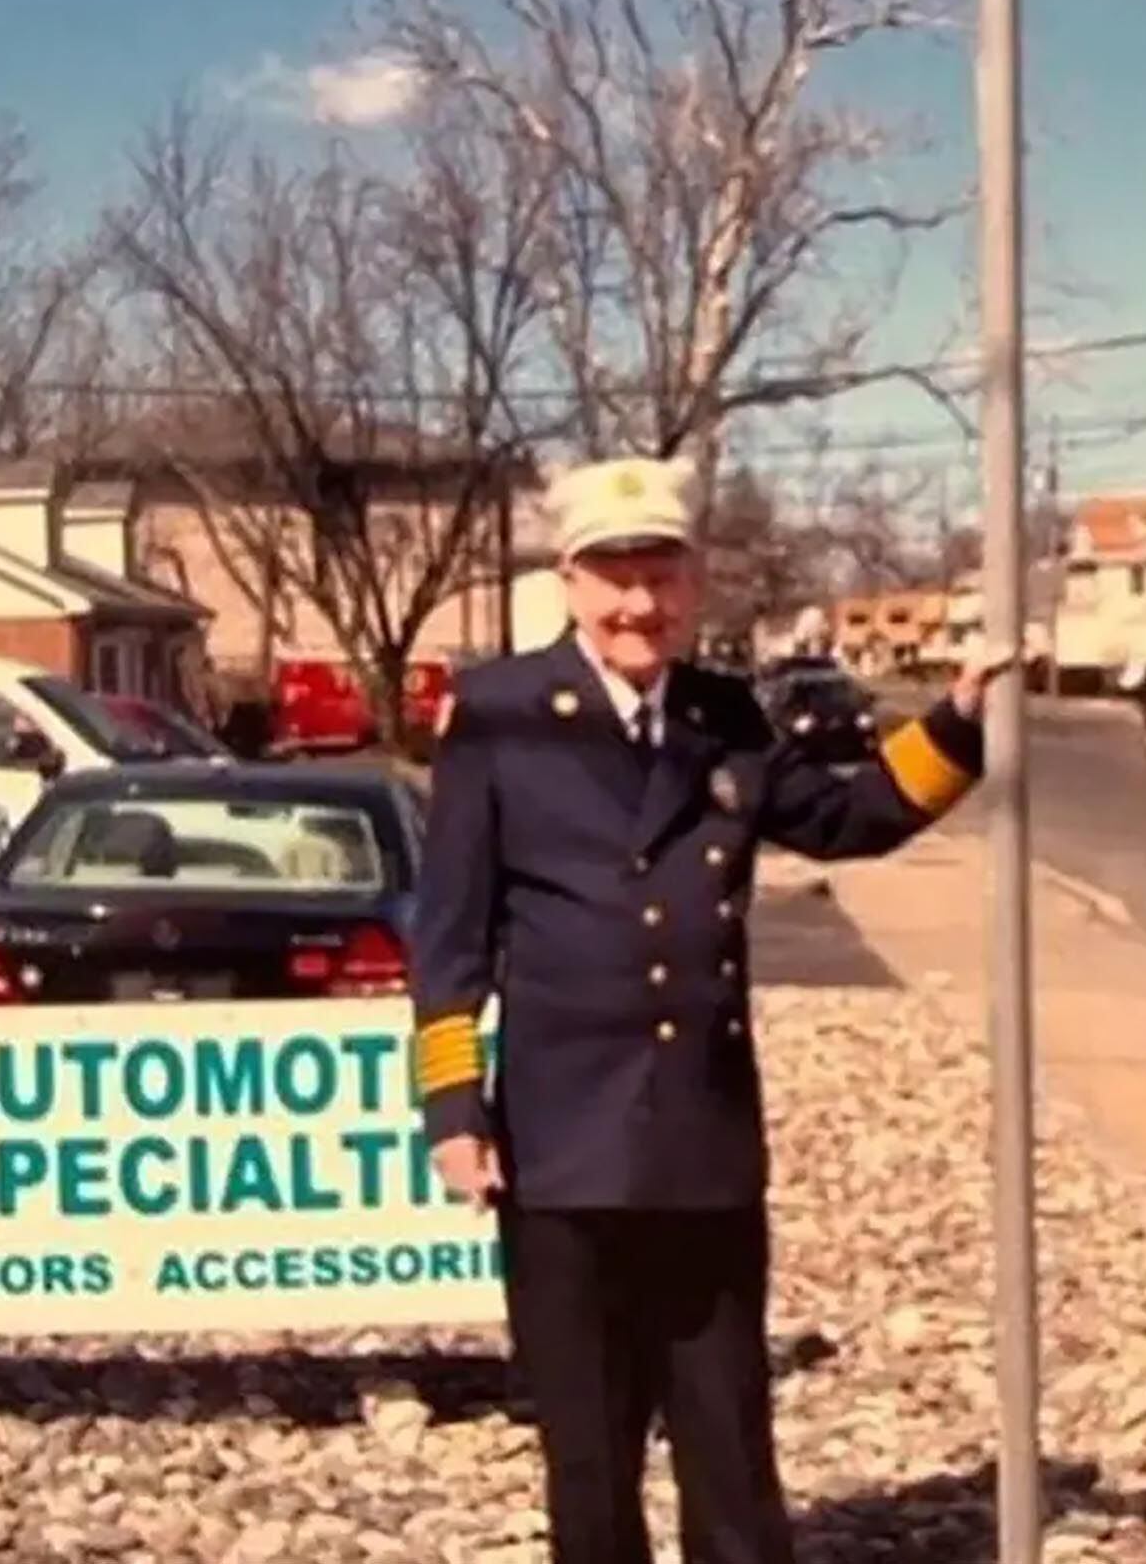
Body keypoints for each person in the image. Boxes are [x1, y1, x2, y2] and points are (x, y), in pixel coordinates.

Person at [407, 454, 1009, 1564]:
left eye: (662, 574)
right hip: (561, 1143)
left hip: (703, 1143)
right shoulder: (498, 713)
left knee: (729, 1440)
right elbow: (448, 932)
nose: (640, 603)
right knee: (589, 1454)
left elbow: (848, 818)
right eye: (613, 576)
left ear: (695, 581)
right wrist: (454, 1109)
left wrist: (959, 723)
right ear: (571, 582)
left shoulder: (727, 715)